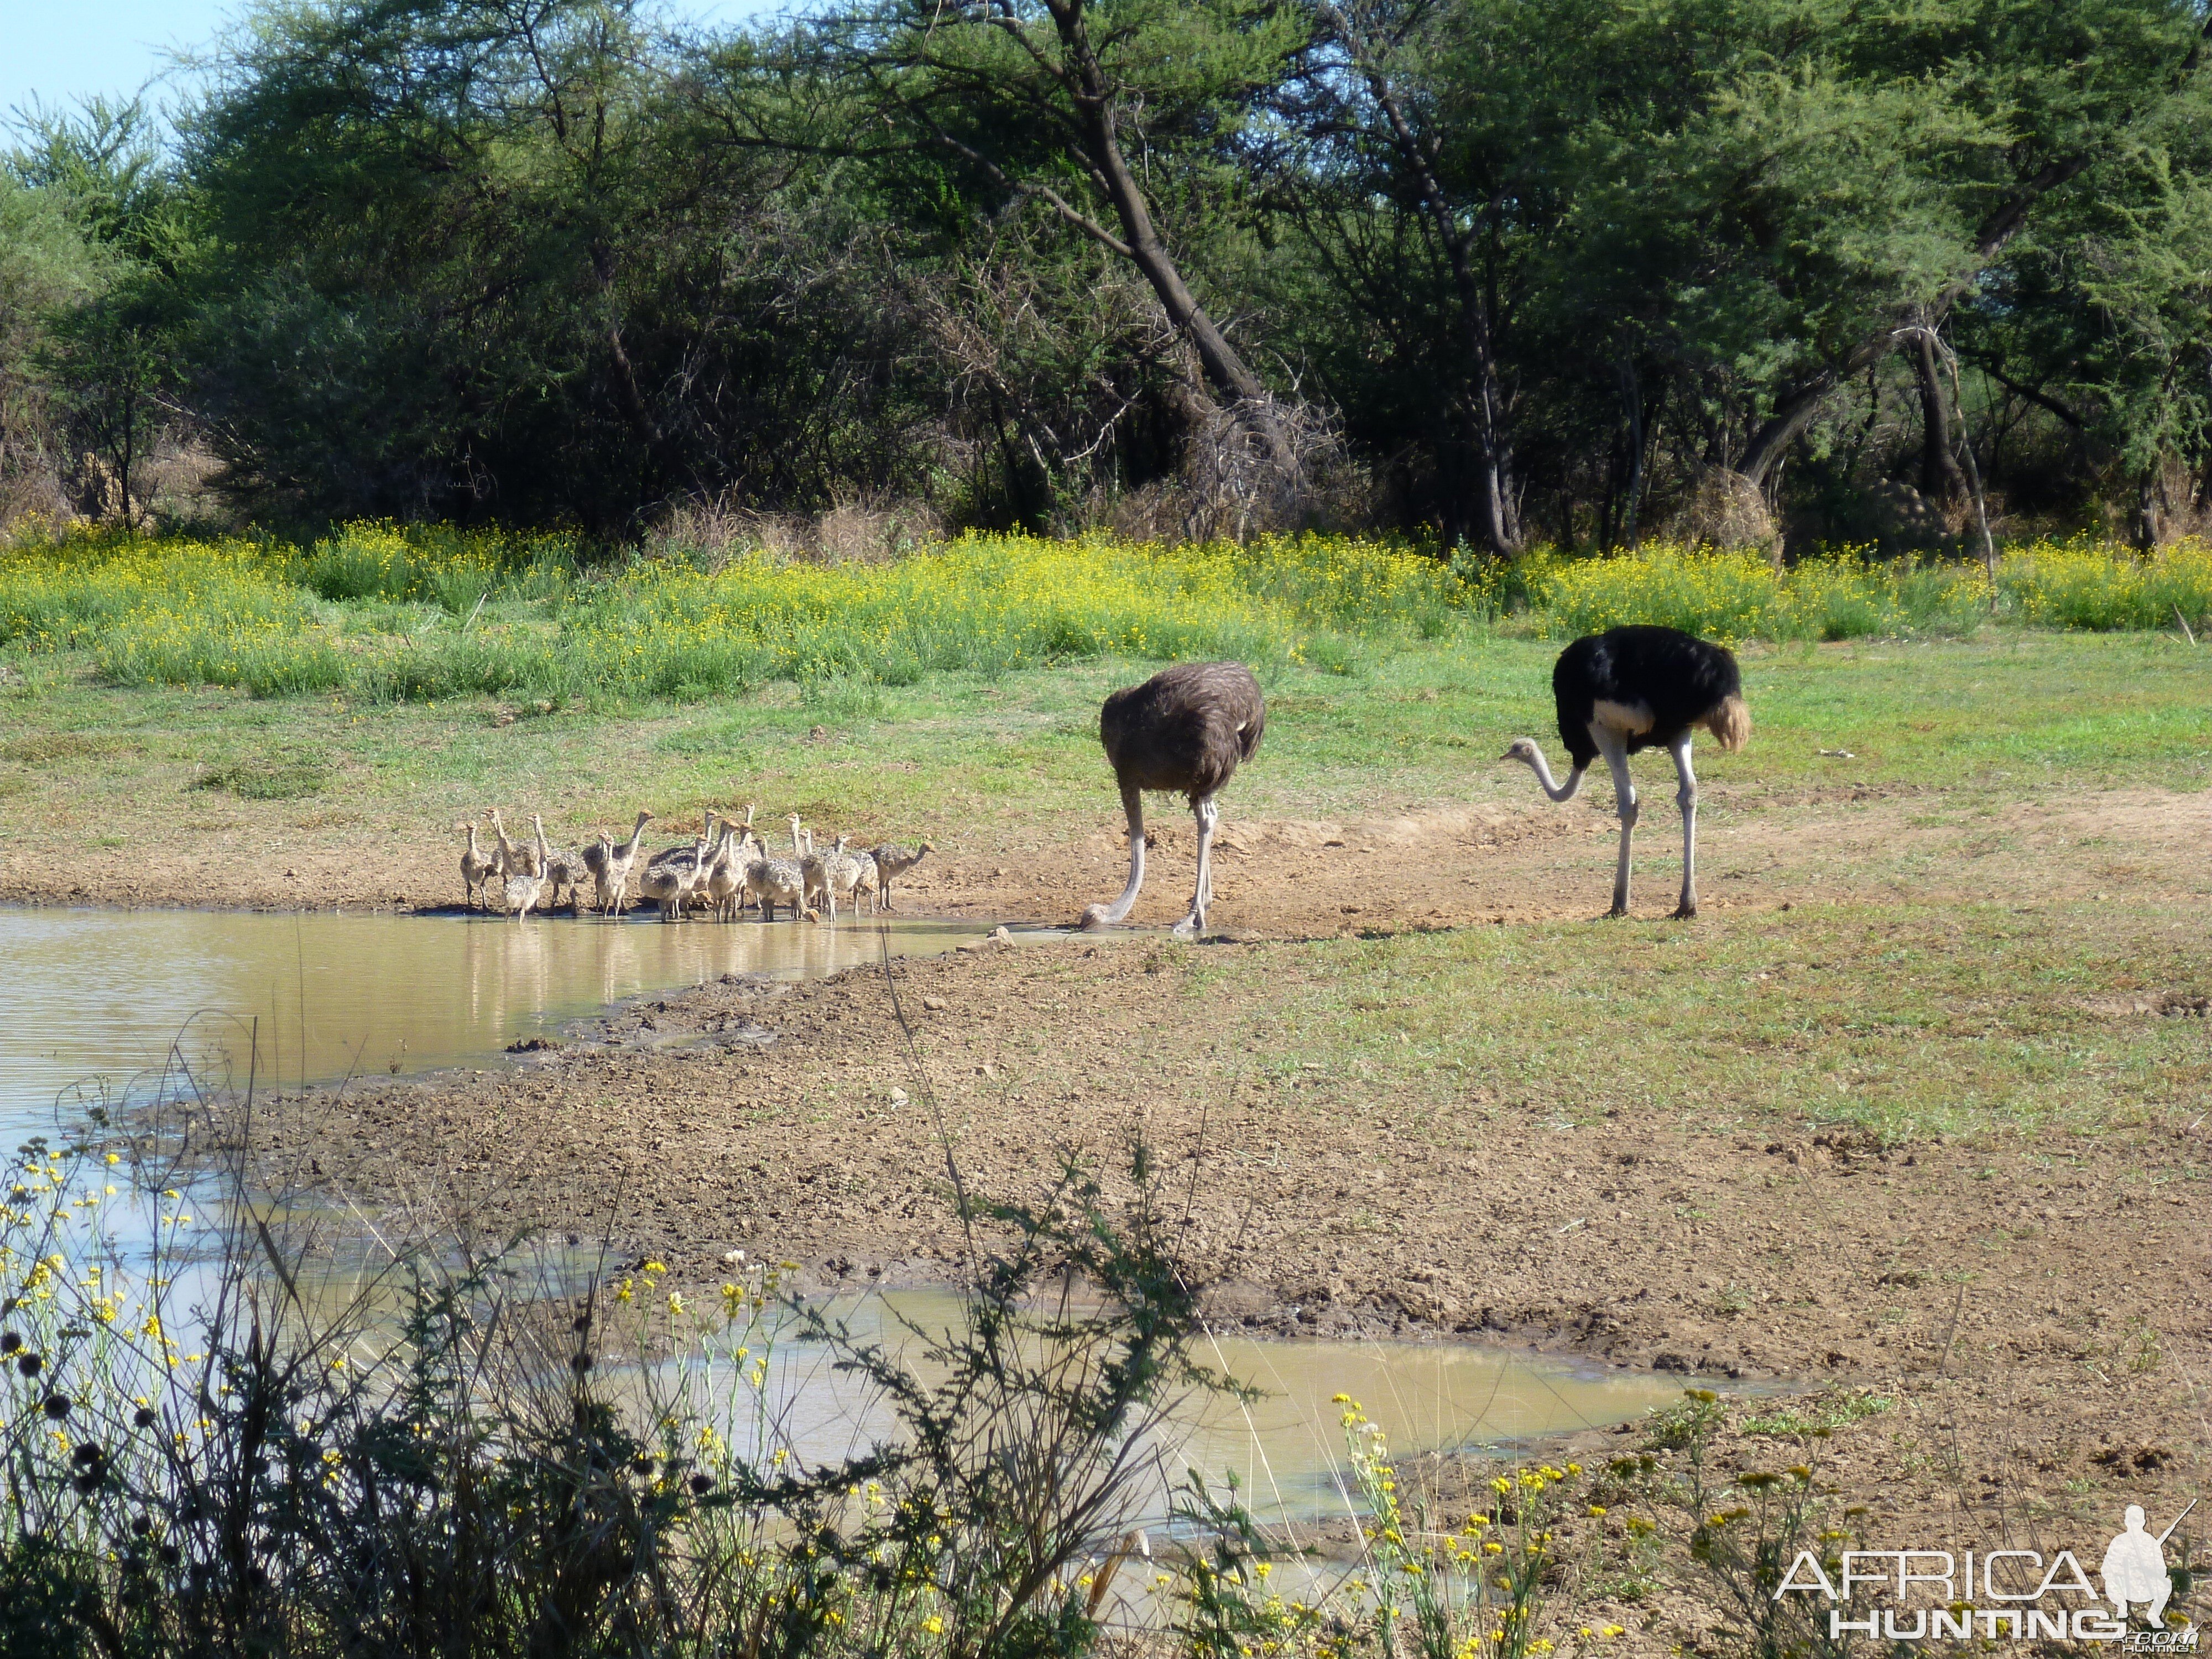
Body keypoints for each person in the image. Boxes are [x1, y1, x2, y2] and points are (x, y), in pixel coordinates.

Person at [2102, 1506, 2173, 1627]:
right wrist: (2122, 1571)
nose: (2134, 1523)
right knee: (2111, 1583)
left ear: (2143, 1522)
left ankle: (2154, 1615)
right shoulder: (2119, 1541)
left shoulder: (2150, 1542)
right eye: (2131, 1520)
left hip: (2144, 1587)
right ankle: (2122, 1608)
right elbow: (2106, 1569)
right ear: (2126, 1522)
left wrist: (2147, 1569)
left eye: (2137, 1520)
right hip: (2123, 1587)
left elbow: (2162, 1570)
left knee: (2166, 1584)